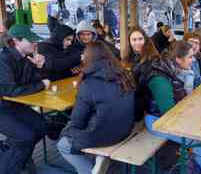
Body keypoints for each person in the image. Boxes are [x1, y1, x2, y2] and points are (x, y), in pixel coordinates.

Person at [57, 41, 135, 174]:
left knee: (63, 143)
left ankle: (90, 172)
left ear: (88, 58)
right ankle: (98, 159)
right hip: (125, 130)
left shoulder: (88, 83)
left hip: (104, 135)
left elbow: (77, 121)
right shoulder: (123, 75)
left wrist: (68, 130)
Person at [145, 41, 201, 173]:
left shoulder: (178, 71)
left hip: (171, 116)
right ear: (178, 59)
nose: (193, 60)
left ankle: (195, 164)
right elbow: (169, 114)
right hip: (156, 121)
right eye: (190, 57)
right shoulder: (160, 79)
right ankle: (200, 170)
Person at [0, 24, 49, 174]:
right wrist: (41, 84)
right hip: (2, 107)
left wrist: (39, 68)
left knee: (42, 126)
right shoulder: (3, 59)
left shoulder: (27, 58)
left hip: (14, 105)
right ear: (16, 41)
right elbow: (11, 90)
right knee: (26, 136)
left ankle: (15, 154)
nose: (35, 44)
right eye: (31, 41)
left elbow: (31, 84)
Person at [126, 27, 160, 121]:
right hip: (140, 97)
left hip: (148, 103)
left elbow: (141, 87)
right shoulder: (134, 55)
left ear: (145, 39)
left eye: (140, 39)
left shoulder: (151, 58)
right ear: (129, 41)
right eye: (134, 39)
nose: (137, 42)